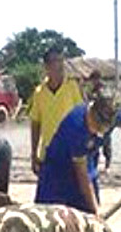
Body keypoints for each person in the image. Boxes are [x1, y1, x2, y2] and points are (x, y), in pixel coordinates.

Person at [35, 95, 121, 215]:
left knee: (87, 221)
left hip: (87, 165)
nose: (99, 132)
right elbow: (82, 176)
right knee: (52, 221)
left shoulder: (112, 113)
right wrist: (96, 211)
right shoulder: (76, 128)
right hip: (57, 174)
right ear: (91, 112)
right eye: (96, 127)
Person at [27, 47, 84, 175]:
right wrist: (33, 154)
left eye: (61, 61)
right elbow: (35, 124)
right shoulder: (39, 92)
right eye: (55, 61)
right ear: (47, 67)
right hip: (48, 154)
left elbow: (82, 118)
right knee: (48, 194)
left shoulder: (72, 87)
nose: (60, 65)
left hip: (71, 154)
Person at [85, 70, 112, 172]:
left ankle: (107, 165)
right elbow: (88, 101)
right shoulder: (93, 89)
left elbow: (105, 102)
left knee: (106, 142)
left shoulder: (105, 89)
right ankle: (94, 165)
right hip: (95, 120)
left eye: (94, 80)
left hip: (105, 119)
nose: (93, 82)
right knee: (94, 143)